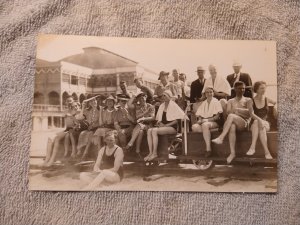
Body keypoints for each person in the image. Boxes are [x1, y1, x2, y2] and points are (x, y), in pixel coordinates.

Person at [212, 81, 251, 164]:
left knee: (231, 117)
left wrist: (237, 110)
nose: (242, 90)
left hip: (244, 124)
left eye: (243, 88)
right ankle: (232, 153)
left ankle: (221, 137)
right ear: (235, 89)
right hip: (233, 122)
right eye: (240, 88)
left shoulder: (248, 100)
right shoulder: (230, 101)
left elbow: (249, 113)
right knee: (232, 125)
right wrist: (239, 112)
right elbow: (229, 112)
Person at [146, 90, 187, 161]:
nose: (163, 97)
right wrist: (160, 123)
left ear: (169, 97)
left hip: (172, 128)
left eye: (165, 95)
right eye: (163, 95)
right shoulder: (162, 106)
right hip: (164, 127)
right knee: (149, 130)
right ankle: (150, 153)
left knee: (154, 131)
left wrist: (167, 125)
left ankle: (154, 153)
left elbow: (178, 119)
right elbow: (159, 119)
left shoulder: (173, 105)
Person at [42, 100, 80, 167]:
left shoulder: (79, 113)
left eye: (76, 106)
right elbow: (64, 114)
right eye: (73, 106)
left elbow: (78, 124)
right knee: (50, 138)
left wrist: (72, 116)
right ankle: (47, 158)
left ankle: (51, 160)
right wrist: (68, 114)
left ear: (79, 106)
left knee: (57, 139)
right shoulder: (67, 112)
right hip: (67, 130)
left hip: (73, 130)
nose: (75, 107)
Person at [246, 81, 276, 159]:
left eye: (264, 88)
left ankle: (252, 148)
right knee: (257, 123)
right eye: (261, 88)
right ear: (256, 89)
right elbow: (251, 114)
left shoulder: (267, 99)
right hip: (254, 124)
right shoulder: (250, 101)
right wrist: (260, 120)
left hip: (266, 123)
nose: (264, 89)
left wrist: (275, 107)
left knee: (260, 124)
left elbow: (276, 102)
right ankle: (267, 152)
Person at [192, 86, 223, 157]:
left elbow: (217, 117)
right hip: (205, 122)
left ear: (213, 93)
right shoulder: (204, 103)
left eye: (211, 92)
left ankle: (208, 149)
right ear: (205, 94)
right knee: (194, 127)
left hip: (214, 122)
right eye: (207, 92)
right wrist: (200, 120)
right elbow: (199, 114)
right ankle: (213, 131)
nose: (209, 94)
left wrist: (207, 120)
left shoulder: (216, 102)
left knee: (205, 125)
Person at [126, 92, 155, 157]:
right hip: (139, 127)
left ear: (146, 97)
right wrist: (134, 96)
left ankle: (130, 143)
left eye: (143, 98)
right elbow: (128, 104)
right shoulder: (137, 106)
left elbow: (153, 118)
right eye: (140, 99)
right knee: (140, 132)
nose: (141, 100)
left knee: (139, 125)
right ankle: (137, 151)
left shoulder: (150, 106)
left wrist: (144, 119)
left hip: (148, 125)